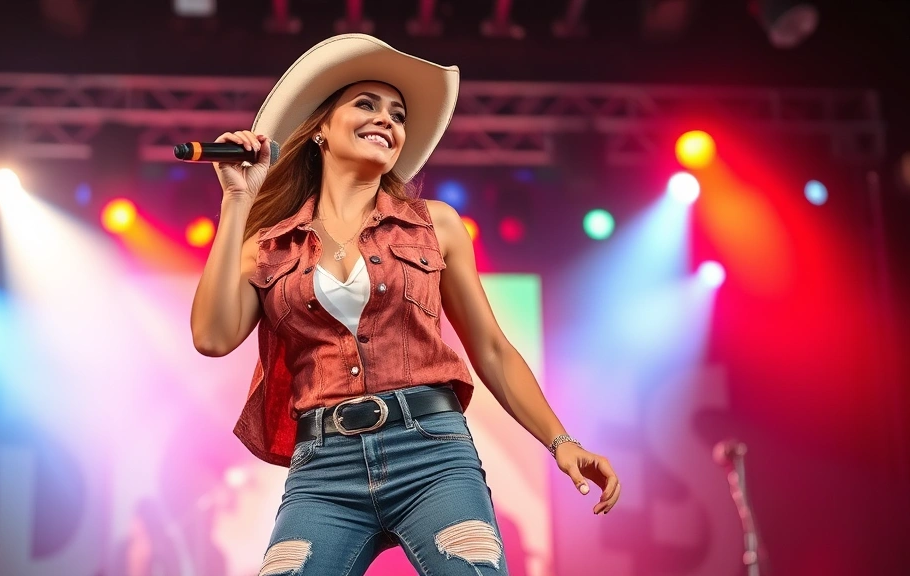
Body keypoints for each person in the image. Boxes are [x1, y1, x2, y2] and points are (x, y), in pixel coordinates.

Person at [190, 34, 620, 576]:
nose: (386, 120)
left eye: (397, 114)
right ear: (320, 128)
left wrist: (560, 441)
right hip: (323, 470)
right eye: (366, 104)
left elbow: (490, 347)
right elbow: (211, 337)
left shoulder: (434, 225)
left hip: (432, 455)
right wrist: (237, 199)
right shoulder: (270, 246)